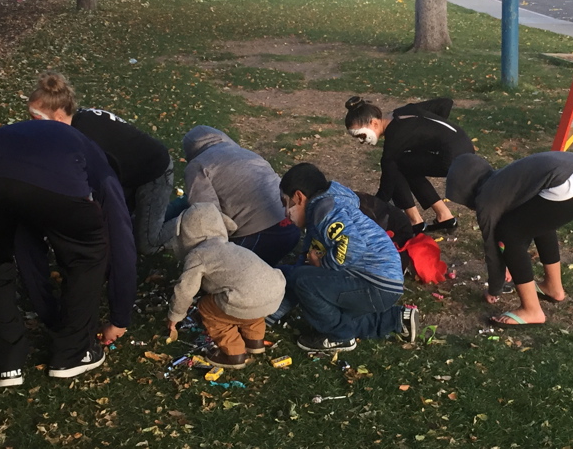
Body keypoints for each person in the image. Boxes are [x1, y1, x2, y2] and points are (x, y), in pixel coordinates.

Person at [0, 119, 133, 387]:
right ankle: (73, 353)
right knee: (86, 256)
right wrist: (120, 316)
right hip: (51, 179)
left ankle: (7, 363)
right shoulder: (102, 167)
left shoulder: (56, 137)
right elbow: (121, 243)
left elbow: (27, 248)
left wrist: (48, 311)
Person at [445, 151, 573, 327]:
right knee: (539, 222)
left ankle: (531, 310)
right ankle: (553, 288)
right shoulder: (505, 180)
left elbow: (493, 244)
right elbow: (526, 224)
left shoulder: (486, 198)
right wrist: (511, 261)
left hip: (571, 184)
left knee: (509, 235)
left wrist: (495, 287)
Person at [26, 71, 174, 256]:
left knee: (148, 244)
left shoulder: (84, 140)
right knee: (120, 230)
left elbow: (100, 188)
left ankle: (195, 220)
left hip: (154, 172)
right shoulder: (76, 123)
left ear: (57, 117)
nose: (29, 124)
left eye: (36, 119)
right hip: (128, 173)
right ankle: (155, 217)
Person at [277, 163, 417, 353]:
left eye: (285, 203)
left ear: (299, 197)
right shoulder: (326, 210)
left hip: (373, 283)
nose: (286, 213)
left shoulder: (325, 212)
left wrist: (323, 264)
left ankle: (339, 336)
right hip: (383, 282)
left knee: (305, 283)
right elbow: (301, 264)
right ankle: (395, 319)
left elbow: (353, 245)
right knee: (314, 290)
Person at [166, 204, 286, 369]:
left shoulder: (199, 254)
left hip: (246, 299)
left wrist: (175, 315)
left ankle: (233, 354)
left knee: (207, 308)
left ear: (187, 233)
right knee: (252, 301)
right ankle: (255, 340)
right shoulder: (230, 248)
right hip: (275, 291)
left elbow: (185, 289)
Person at [344, 95, 471, 233]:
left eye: (361, 135)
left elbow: (387, 187)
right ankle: (444, 217)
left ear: (374, 123)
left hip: (453, 158)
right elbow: (445, 103)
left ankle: (415, 221)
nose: (362, 141)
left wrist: (371, 209)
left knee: (396, 166)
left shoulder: (394, 137)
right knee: (406, 164)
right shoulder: (401, 112)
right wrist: (432, 135)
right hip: (465, 145)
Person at [179, 126, 300, 265]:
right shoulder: (245, 152)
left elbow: (207, 214)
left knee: (221, 269)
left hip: (262, 235)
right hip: (292, 226)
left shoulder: (198, 165)